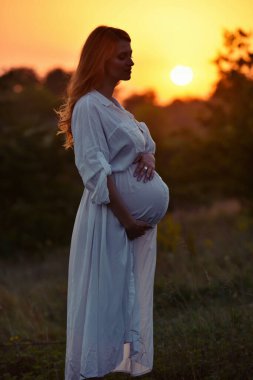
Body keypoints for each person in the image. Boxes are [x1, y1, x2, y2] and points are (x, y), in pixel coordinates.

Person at [56, 25, 170, 380]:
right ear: (102, 60)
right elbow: (94, 171)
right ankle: (94, 372)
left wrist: (149, 156)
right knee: (104, 302)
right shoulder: (89, 106)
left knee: (122, 297)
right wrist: (128, 220)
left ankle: (114, 369)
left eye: (130, 54)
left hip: (125, 224)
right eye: (123, 56)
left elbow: (141, 141)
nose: (131, 61)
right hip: (110, 220)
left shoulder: (113, 105)